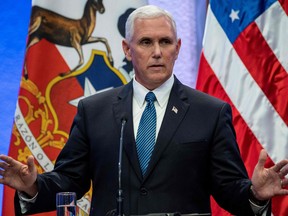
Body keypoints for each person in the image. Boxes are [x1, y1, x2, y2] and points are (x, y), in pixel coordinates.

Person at [0, 5, 288, 216]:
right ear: (127, 49)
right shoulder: (94, 110)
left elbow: (228, 190)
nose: (158, 52)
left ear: (178, 47)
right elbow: (69, 182)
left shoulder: (210, 112)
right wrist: (32, 185)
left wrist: (256, 194)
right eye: (146, 42)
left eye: (165, 42)